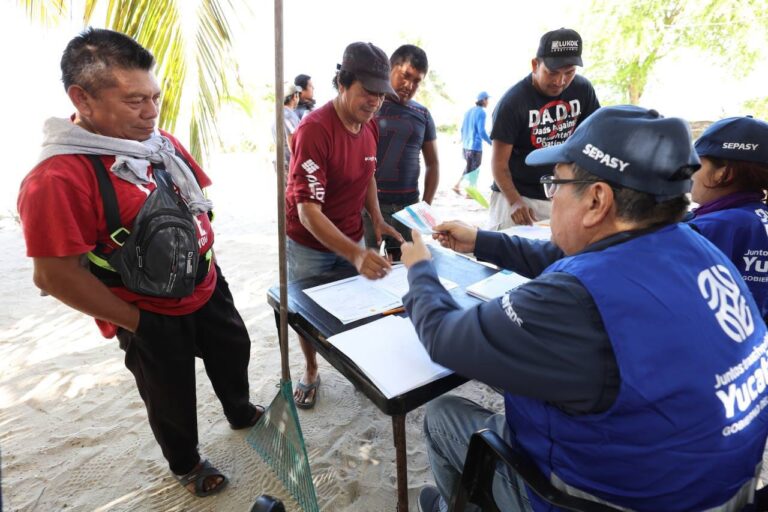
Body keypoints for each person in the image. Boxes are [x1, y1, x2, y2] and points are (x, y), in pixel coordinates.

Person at [401, 105, 768, 511]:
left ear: (596, 199)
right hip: (720, 489)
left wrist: (420, 270)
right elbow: (583, 259)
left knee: (442, 414)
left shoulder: (573, 301)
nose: (552, 196)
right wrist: (482, 241)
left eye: (556, 184)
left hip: (595, 499)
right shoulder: (699, 246)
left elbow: (444, 336)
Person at [16, 28, 262, 498]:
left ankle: (239, 409)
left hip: (206, 283)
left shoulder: (158, 143)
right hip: (147, 308)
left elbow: (196, 203)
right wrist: (138, 322)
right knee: (169, 392)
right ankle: (187, 462)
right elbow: (54, 275)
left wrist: (205, 265)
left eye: (155, 98)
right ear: (82, 99)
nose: (151, 113)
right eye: (134, 101)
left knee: (233, 350)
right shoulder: (57, 178)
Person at [285, 42, 403, 409]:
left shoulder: (369, 127)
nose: (376, 102)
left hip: (352, 234)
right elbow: (308, 211)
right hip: (309, 243)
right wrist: (355, 254)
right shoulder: (314, 130)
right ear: (342, 83)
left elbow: (368, 175)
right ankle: (310, 369)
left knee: (357, 306)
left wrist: (377, 219)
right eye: (368, 91)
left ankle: (355, 364)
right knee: (306, 315)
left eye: (381, 94)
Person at [489, 28, 600, 230]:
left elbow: (592, 140)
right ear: (535, 65)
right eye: (552, 73)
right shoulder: (513, 103)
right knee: (508, 247)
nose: (560, 81)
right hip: (514, 195)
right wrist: (515, 201)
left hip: (559, 194)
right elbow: (498, 163)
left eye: (569, 73)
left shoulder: (583, 90)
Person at [688, 116, 768, 320]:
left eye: (696, 163)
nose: (689, 173)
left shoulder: (710, 227)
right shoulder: (757, 216)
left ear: (723, 173)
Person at [363, 44, 439, 255]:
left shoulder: (422, 114)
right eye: (405, 76)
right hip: (368, 207)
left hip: (408, 209)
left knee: (406, 265)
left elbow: (433, 164)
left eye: (417, 81)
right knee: (366, 264)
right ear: (390, 68)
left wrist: (424, 206)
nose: (409, 85)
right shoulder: (368, 108)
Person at [453, 91, 491, 194]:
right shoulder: (481, 112)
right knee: (474, 169)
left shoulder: (468, 111)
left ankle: (457, 185)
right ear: (483, 100)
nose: (488, 102)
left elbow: (462, 129)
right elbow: (481, 131)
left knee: (470, 167)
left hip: (466, 146)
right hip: (475, 146)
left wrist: (462, 140)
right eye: (487, 99)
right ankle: (470, 192)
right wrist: (490, 142)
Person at [272, 81, 302, 174]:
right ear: (294, 96)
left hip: (281, 161)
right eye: (298, 95)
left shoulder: (278, 114)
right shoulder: (288, 115)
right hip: (288, 163)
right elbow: (292, 142)